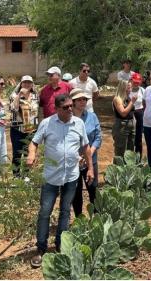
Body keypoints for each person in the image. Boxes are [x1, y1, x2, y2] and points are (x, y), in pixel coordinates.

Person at [27, 94, 94, 268]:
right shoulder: (47, 123)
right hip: (51, 177)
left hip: (71, 176)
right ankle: (41, 248)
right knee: (45, 212)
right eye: (66, 107)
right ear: (57, 109)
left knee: (65, 211)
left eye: (71, 106)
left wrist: (91, 168)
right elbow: (34, 142)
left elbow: (85, 147)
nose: (70, 109)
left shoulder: (78, 123)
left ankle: (60, 246)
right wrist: (31, 154)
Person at [70, 88, 102, 217]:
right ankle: (79, 218)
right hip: (74, 161)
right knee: (76, 191)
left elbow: (98, 136)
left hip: (91, 160)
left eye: (85, 99)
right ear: (72, 102)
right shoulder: (67, 118)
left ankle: (96, 218)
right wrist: (77, 156)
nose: (83, 102)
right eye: (79, 99)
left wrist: (91, 151)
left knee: (93, 189)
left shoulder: (92, 116)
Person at [9, 75, 39, 175]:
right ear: (21, 83)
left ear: (32, 84)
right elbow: (14, 108)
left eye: (29, 82)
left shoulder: (35, 96)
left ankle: (26, 175)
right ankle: (16, 175)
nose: (27, 84)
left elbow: (38, 112)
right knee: (17, 153)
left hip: (31, 130)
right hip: (17, 129)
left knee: (29, 153)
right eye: (24, 82)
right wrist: (20, 95)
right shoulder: (14, 95)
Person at [112, 80, 136, 159]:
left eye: (131, 87)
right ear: (123, 88)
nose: (130, 89)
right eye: (129, 87)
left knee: (130, 151)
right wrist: (132, 102)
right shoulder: (117, 99)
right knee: (120, 151)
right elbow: (123, 113)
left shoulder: (127, 98)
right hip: (122, 127)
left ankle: (127, 170)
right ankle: (117, 170)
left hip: (131, 126)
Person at [130, 72, 145, 158]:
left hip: (139, 113)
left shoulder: (143, 90)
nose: (136, 83)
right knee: (130, 135)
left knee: (139, 137)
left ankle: (138, 157)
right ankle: (129, 156)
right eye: (135, 81)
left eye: (138, 81)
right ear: (131, 80)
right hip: (130, 113)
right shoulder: (128, 89)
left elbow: (145, 103)